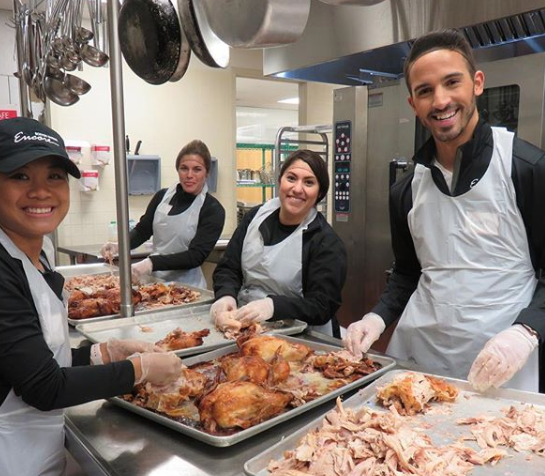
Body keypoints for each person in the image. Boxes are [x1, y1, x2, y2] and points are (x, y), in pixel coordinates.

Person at [0, 117, 183, 476]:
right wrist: (139, 370)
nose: (41, 191)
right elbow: (44, 387)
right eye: (20, 177)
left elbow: (36, 357)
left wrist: (101, 352)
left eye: (54, 176)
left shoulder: (34, 261)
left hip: (29, 465)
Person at [342, 29, 545, 393]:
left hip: (500, 364)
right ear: (413, 104)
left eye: (452, 82)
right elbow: (407, 273)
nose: (440, 101)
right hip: (419, 361)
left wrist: (526, 331)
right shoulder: (406, 190)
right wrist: (376, 318)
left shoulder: (526, 169)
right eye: (425, 91)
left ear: (477, 83)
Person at [211, 149, 347, 336]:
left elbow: (322, 305)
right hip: (246, 326)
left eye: (308, 182)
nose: (297, 189)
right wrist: (225, 295)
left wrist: (273, 306)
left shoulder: (326, 242)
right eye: (291, 178)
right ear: (280, 181)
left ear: (320, 193)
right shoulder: (254, 217)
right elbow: (228, 267)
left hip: (303, 336)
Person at [100, 140, 225, 288]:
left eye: (197, 169)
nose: (189, 175)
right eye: (184, 168)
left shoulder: (212, 209)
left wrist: (150, 263)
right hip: (155, 284)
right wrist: (119, 246)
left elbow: (195, 257)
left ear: (207, 173)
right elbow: (142, 231)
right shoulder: (162, 197)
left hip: (188, 288)